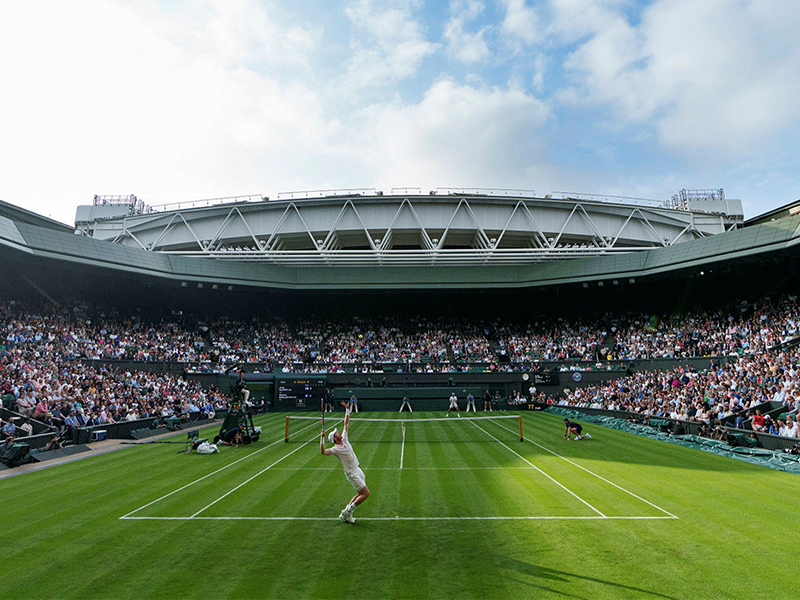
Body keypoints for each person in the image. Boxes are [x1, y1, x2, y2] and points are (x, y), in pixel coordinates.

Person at [321, 401, 369, 524]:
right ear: (335, 439)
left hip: (357, 469)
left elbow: (346, 423)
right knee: (366, 493)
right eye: (336, 433)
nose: (339, 433)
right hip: (351, 473)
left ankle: (347, 514)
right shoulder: (335, 449)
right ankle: (347, 511)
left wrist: (347, 410)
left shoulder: (345, 437)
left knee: (359, 493)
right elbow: (323, 452)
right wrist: (322, 438)